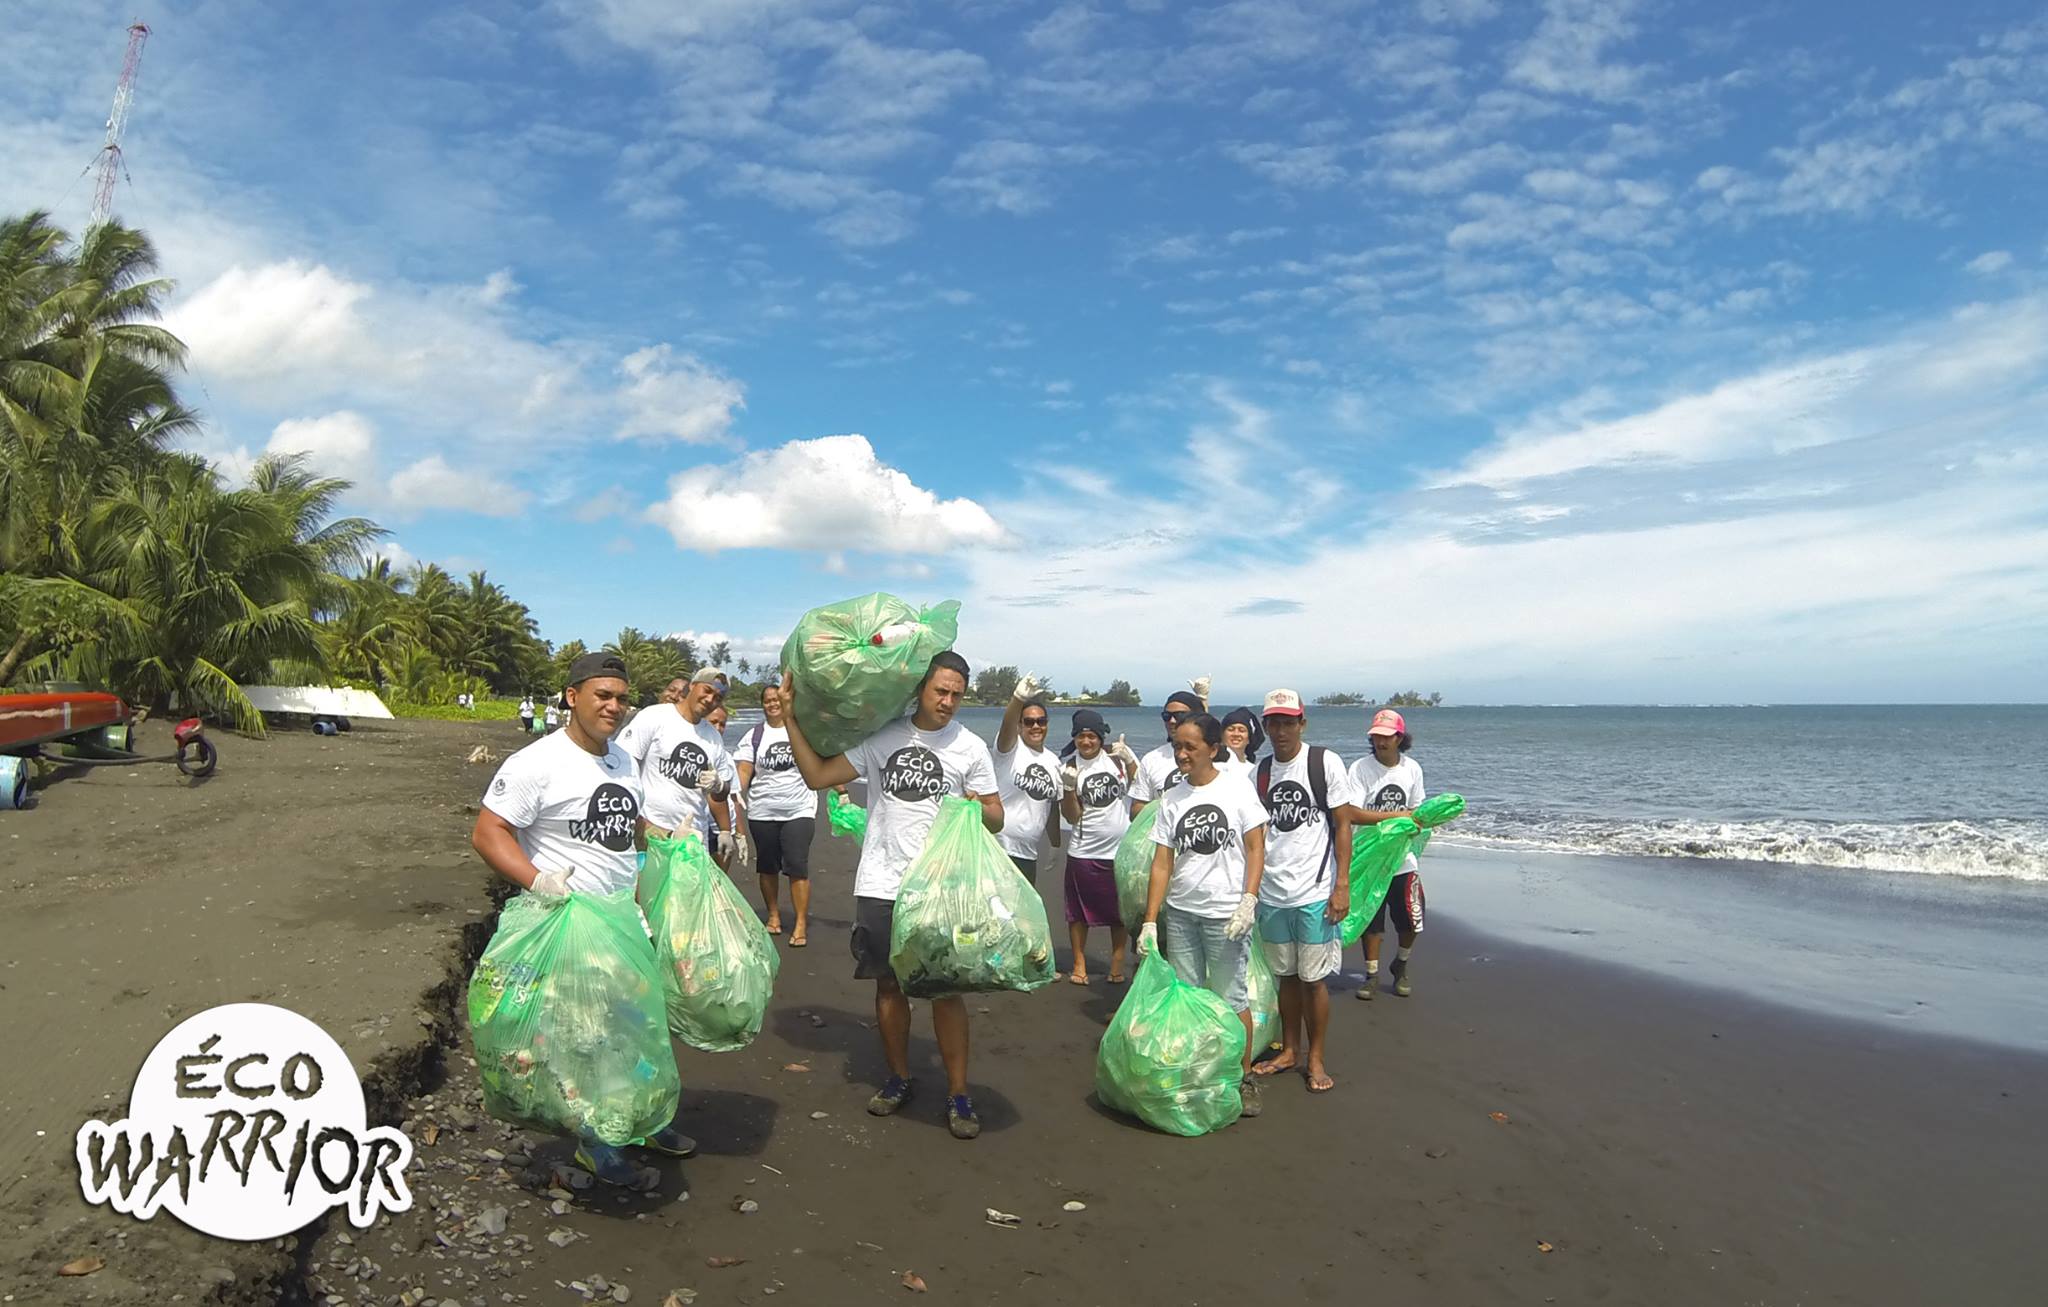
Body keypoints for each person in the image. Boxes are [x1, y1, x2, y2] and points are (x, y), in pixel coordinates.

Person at [468, 652, 696, 1185]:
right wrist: (536, 880)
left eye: (622, 698)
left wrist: (666, 839)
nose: (614, 707)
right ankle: (598, 1143)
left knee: (638, 1026)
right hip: (568, 922)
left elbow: (627, 824)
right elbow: (489, 831)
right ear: (573, 697)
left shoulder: (621, 761)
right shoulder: (535, 763)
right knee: (585, 1034)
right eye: (603, 696)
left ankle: (642, 1120)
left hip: (624, 921)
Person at [781, 651, 1004, 1140]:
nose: (947, 702)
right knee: (887, 985)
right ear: (921, 688)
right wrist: (790, 716)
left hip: (942, 889)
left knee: (945, 991)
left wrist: (973, 809)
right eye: (940, 691)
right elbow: (817, 777)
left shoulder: (969, 747)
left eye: (957, 695)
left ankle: (959, 1092)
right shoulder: (884, 737)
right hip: (881, 882)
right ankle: (899, 1077)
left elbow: (996, 816)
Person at [1138, 711, 1270, 1119]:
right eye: (1177, 745)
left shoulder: (1237, 790)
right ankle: (1198, 1072)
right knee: (1188, 998)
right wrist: (1149, 921)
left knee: (1231, 998)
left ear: (1214, 749)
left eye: (1190, 747)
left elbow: (1255, 848)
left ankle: (1244, 1076)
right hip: (1181, 914)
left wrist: (1248, 900)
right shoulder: (1173, 798)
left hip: (1225, 915)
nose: (1181, 754)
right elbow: (1162, 862)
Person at [1248, 689, 1353, 1092]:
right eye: (1272, 723)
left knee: (1314, 980)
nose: (1280, 731)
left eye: (1288, 722)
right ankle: (1289, 1049)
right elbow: (1255, 834)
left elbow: (1343, 823)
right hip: (1273, 894)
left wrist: (1341, 885)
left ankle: (1316, 1057)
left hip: (1314, 893)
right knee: (1285, 978)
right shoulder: (1260, 772)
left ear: (1302, 724)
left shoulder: (1323, 762)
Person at [614, 667, 738, 871]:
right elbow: (624, 767)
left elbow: (720, 794)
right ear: (692, 685)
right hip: (651, 833)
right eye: (706, 690)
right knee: (649, 899)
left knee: (689, 900)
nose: (710, 699)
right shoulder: (655, 717)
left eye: (717, 697)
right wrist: (633, 821)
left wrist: (725, 830)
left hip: (694, 839)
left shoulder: (713, 738)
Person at [1342, 709, 1426, 1000]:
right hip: (1369, 858)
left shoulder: (1412, 769)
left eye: (1387, 737)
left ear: (1399, 738)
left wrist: (1417, 824)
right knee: (1371, 919)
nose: (1380, 741)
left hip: (1402, 859)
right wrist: (1396, 816)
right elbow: (1351, 812)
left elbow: (1418, 811)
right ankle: (1372, 974)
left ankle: (1400, 964)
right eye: (1376, 736)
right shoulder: (1360, 769)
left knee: (1412, 919)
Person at [1057, 708, 1132, 985]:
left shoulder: (1117, 760)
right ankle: (1079, 963)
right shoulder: (1069, 767)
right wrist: (1067, 788)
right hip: (1084, 851)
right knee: (1078, 913)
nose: (1086, 742)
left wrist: (1130, 760)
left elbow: (1140, 788)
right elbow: (1072, 817)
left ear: (1101, 737)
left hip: (1119, 851)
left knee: (1120, 913)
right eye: (1081, 736)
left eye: (1092, 736)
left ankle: (1116, 964)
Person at [737, 685, 817, 945]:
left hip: (799, 809)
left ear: (786, 702)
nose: (772, 704)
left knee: (797, 866)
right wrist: (737, 793)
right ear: (763, 705)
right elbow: (746, 769)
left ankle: (801, 923)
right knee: (768, 867)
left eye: (777, 700)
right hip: (763, 810)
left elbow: (820, 760)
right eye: (768, 701)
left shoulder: (803, 731)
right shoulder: (755, 735)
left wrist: (842, 791)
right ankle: (773, 916)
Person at [993, 676, 1062, 885]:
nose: (1035, 726)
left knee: (1021, 915)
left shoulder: (1053, 761)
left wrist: (1056, 844)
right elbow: (1006, 727)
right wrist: (1017, 699)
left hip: (1028, 854)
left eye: (1041, 721)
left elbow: (1051, 807)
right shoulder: (1009, 749)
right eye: (1029, 722)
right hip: (998, 848)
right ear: (1020, 725)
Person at [1126, 688, 1205, 818]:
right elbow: (1136, 809)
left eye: (1180, 715)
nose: (1172, 721)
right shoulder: (1151, 759)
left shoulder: (1212, 754)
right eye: (1167, 716)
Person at [1219, 706, 1264, 778]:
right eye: (1231, 729)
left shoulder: (1254, 771)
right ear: (1222, 735)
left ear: (1249, 739)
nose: (1236, 734)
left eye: (1241, 730)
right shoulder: (1211, 766)